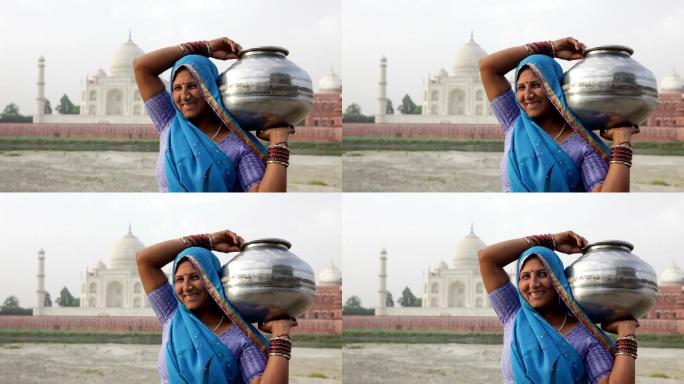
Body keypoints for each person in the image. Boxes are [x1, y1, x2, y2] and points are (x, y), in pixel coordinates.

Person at [136, 229, 296, 383]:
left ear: (212, 279)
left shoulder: (241, 338)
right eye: (179, 279)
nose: (186, 287)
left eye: (195, 277)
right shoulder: (172, 314)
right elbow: (145, 260)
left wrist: (281, 335)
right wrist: (207, 240)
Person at [478, 231, 639, 384]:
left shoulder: (584, 338)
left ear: (557, 279)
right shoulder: (513, 314)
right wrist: (551, 240)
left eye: (542, 274)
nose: (533, 284)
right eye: (525, 276)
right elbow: (487, 258)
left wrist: (626, 333)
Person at [479, 37, 638, 192]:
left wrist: (622, 142)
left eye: (536, 85)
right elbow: (488, 67)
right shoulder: (514, 122)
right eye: (521, 88)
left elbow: (608, 200)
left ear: (553, 88)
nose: (528, 95)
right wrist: (550, 47)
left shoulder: (582, 146)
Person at [134, 37, 292, 192]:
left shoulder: (238, 146)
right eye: (177, 88)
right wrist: (205, 47)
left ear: (210, 88)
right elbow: (142, 67)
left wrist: (278, 143)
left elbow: (265, 201)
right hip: (169, 217)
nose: (185, 96)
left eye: (193, 86)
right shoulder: (168, 122)